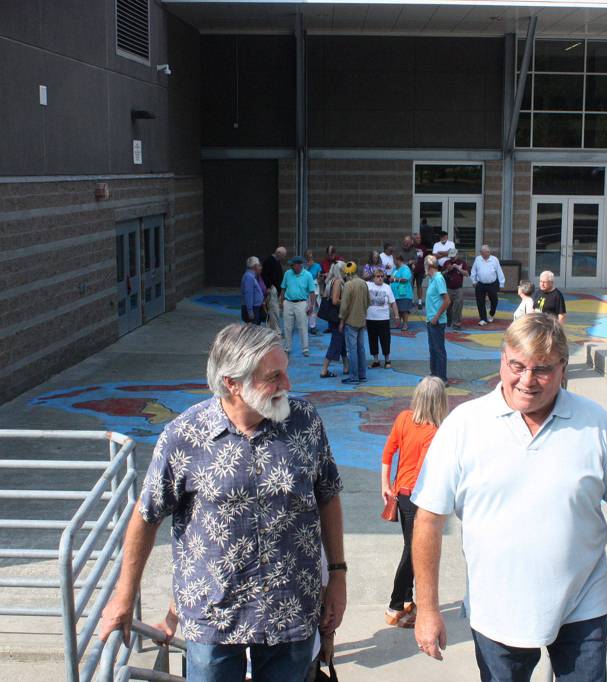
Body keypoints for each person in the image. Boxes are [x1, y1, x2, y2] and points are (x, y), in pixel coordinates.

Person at [98, 323, 348, 681]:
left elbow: (328, 496)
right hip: (215, 617)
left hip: (290, 608)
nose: (287, 386)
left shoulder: (304, 422)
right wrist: (124, 596)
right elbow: (146, 516)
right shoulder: (184, 436)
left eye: (285, 373)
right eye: (273, 377)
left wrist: (337, 575)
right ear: (232, 383)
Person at [411, 314, 607, 681]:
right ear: (502, 359)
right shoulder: (464, 425)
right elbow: (428, 519)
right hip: (497, 613)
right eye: (517, 366)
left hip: (581, 608)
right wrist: (427, 607)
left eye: (541, 370)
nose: (526, 380)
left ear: (563, 369)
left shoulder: (596, 423)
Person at [380, 376, 448, 630]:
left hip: (401, 494)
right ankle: (395, 605)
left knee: (409, 546)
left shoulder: (404, 418)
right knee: (414, 552)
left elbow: (388, 452)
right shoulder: (435, 433)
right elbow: (427, 473)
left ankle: (407, 599)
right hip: (420, 498)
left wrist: (385, 484)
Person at [339, 261, 369, 385]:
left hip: (351, 321)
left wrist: (341, 321)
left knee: (352, 350)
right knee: (361, 348)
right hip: (361, 320)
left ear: (347, 273)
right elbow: (368, 302)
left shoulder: (348, 285)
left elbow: (344, 306)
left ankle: (354, 376)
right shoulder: (363, 283)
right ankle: (362, 375)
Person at [281, 256, 317, 357]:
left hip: (301, 303)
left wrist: (311, 306)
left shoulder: (308, 275)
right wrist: (282, 302)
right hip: (288, 302)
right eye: (292, 265)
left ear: (299, 265)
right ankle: (287, 348)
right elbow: (283, 288)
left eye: (293, 265)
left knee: (303, 327)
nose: (292, 266)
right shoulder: (287, 273)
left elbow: (312, 292)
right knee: (287, 327)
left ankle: (305, 349)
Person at [423, 255, 450, 383]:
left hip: (437, 321)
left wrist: (436, 316)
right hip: (431, 320)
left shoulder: (438, 279)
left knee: (438, 349)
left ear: (428, 266)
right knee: (433, 348)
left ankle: (442, 378)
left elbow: (447, 300)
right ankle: (434, 375)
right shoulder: (431, 279)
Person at [320, 261, 349, 379]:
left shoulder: (331, 281)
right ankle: (324, 369)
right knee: (336, 341)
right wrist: (347, 302)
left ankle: (346, 366)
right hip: (337, 316)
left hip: (332, 316)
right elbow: (335, 300)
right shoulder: (338, 282)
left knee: (341, 341)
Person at [366, 268, 398, 369]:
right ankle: (376, 360)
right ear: (373, 278)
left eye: (381, 276)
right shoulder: (368, 285)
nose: (380, 278)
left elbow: (393, 302)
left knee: (385, 340)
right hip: (370, 318)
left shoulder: (387, 287)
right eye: (377, 276)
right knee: (372, 340)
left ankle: (387, 360)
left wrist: (396, 316)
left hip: (383, 318)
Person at [471, 245, 506, 326]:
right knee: (480, 301)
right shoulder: (478, 259)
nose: (483, 255)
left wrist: (502, 283)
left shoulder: (494, 259)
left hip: (492, 284)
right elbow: (473, 271)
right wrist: (474, 280)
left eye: (485, 253)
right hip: (480, 284)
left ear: (488, 252)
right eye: (481, 253)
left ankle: (491, 313)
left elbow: (499, 271)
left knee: (494, 300)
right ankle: (483, 318)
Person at [441, 248, 468, 331]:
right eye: (451, 256)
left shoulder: (462, 263)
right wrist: (447, 270)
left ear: (457, 255)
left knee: (458, 306)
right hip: (448, 288)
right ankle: (449, 321)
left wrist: (458, 268)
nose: (452, 258)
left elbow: (466, 274)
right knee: (448, 307)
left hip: (458, 288)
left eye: (453, 256)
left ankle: (457, 324)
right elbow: (441, 274)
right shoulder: (446, 263)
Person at [262, 246, 286, 333]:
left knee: (274, 310)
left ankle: (271, 329)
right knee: (274, 310)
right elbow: (264, 275)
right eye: (283, 255)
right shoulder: (269, 261)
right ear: (278, 253)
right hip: (272, 289)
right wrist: (269, 286)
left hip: (276, 289)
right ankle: (276, 330)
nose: (284, 257)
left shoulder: (276, 261)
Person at [390, 253, 414, 332]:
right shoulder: (395, 269)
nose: (393, 261)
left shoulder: (405, 268)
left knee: (404, 310)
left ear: (398, 260)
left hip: (404, 293)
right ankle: (398, 323)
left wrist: (395, 279)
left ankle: (405, 324)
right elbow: (391, 277)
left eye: (394, 260)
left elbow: (405, 279)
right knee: (399, 309)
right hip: (396, 293)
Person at [240, 256, 266, 325]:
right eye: (259, 265)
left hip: (254, 307)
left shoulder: (251, 276)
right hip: (252, 309)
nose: (261, 267)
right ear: (255, 266)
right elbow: (248, 295)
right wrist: (250, 312)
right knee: (253, 331)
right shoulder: (249, 277)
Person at [305, 250, 322, 336]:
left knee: (313, 307)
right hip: (305, 287)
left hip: (314, 286)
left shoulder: (317, 266)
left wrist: (317, 282)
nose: (309, 258)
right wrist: (307, 267)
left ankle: (312, 327)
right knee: (305, 307)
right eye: (308, 256)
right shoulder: (303, 266)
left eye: (311, 256)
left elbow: (319, 278)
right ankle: (304, 326)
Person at [412, 233, 427, 310]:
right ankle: (411, 300)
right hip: (411, 270)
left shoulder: (423, 247)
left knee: (419, 285)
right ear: (413, 239)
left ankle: (420, 302)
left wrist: (426, 270)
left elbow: (425, 260)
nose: (419, 239)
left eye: (420, 238)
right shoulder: (410, 247)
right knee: (410, 285)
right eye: (417, 238)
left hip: (420, 270)